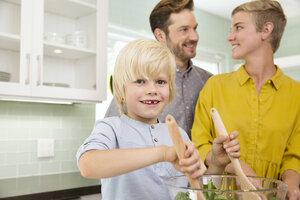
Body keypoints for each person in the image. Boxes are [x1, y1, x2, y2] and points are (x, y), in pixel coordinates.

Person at [77, 39, 241, 200]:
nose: (152, 90)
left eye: (160, 82)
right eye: (140, 81)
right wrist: (163, 153)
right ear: (121, 90)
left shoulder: (180, 135)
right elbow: (88, 166)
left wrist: (217, 165)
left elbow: (199, 195)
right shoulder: (111, 128)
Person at [191, 0, 300, 199]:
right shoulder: (215, 86)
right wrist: (240, 169)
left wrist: (291, 187)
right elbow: (200, 145)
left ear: (266, 30)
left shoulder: (296, 94)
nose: (230, 37)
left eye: (238, 27)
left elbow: (293, 156)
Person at [104, 0, 212, 138]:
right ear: (160, 35)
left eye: (195, 28)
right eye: (184, 29)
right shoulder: (137, 83)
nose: (194, 37)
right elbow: (109, 139)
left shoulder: (208, 80)